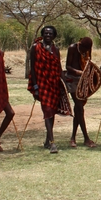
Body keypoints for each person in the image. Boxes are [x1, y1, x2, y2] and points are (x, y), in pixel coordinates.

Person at [28, 25, 71, 154]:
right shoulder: (36, 48)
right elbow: (33, 69)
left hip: (54, 84)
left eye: (50, 33)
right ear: (43, 34)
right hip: (41, 85)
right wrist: (35, 87)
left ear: (54, 36)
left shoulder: (55, 49)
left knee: (51, 112)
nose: (48, 35)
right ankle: (52, 143)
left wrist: (65, 84)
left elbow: (58, 67)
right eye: (46, 33)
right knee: (47, 111)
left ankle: (47, 140)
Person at [64, 37, 97, 148]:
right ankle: (86, 138)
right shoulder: (73, 48)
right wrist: (79, 72)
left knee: (78, 109)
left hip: (83, 81)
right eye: (83, 49)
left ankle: (73, 137)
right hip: (72, 80)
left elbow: (89, 63)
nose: (84, 52)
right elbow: (67, 66)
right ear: (80, 45)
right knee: (79, 107)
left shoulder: (87, 49)